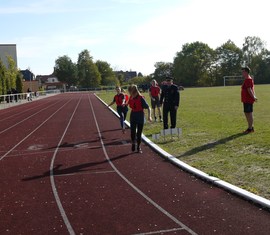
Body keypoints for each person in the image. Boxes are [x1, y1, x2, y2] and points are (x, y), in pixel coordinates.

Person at [128, 85, 152, 153]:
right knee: (132, 132)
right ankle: (133, 143)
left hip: (140, 115)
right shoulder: (131, 97)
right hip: (133, 115)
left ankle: (138, 147)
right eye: (130, 93)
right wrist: (124, 104)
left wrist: (149, 116)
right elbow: (129, 103)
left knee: (139, 133)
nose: (131, 95)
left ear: (136, 92)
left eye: (132, 93)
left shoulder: (141, 98)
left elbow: (148, 108)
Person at [241, 66, 257, 134]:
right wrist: (254, 96)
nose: (242, 73)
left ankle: (250, 128)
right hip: (246, 99)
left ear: (246, 72)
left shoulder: (248, 79)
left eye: (243, 72)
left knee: (249, 113)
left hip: (248, 100)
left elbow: (249, 89)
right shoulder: (248, 79)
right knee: (247, 113)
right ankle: (250, 127)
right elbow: (252, 89)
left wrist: (253, 97)